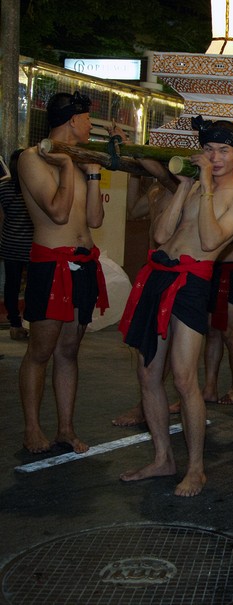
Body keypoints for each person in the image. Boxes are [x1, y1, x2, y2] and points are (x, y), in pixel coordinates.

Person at [118, 117, 233, 496]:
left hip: (192, 284)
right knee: (148, 375)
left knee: (183, 379)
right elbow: (161, 234)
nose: (214, 157)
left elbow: (211, 241)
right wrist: (184, 187)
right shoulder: (194, 187)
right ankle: (163, 458)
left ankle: (196, 468)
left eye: (223, 150)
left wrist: (207, 188)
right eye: (209, 150)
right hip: (159, 275)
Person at [16, 91, 108, 454]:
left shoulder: (81, 160)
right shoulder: (31, 158)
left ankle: (66, 429)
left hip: (83, 263)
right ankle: (31, 428)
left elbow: (95, 220)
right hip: (51, 263)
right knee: (41, 350)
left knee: (69, 351)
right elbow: (57, 212)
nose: (90, 125)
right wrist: (69, 168)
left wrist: (94, 174)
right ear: (73, 119)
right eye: (87, 119)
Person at [110, 125, 182, 427]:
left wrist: (132, 149)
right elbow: (131, 210)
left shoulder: (179, 187)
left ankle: (148, 404)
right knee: (148, 347)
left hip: (175, 277)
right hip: (153, 273)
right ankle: (151, 402)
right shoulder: (155, 190)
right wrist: (134, 171)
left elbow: (164, 174)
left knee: (165, 350)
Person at [201, 210, 233, 405]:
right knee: (212, 331)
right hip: (214, 268)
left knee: (230, 333)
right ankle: (209, 388)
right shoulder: (212, 200)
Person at [0, 149, 34, 341]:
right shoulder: (33, 187)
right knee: (33, 286)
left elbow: (2, 219)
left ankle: (14, 324)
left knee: (11, 286)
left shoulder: (3, 188)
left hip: (10, 245)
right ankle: (31, 323)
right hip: (32, 247)